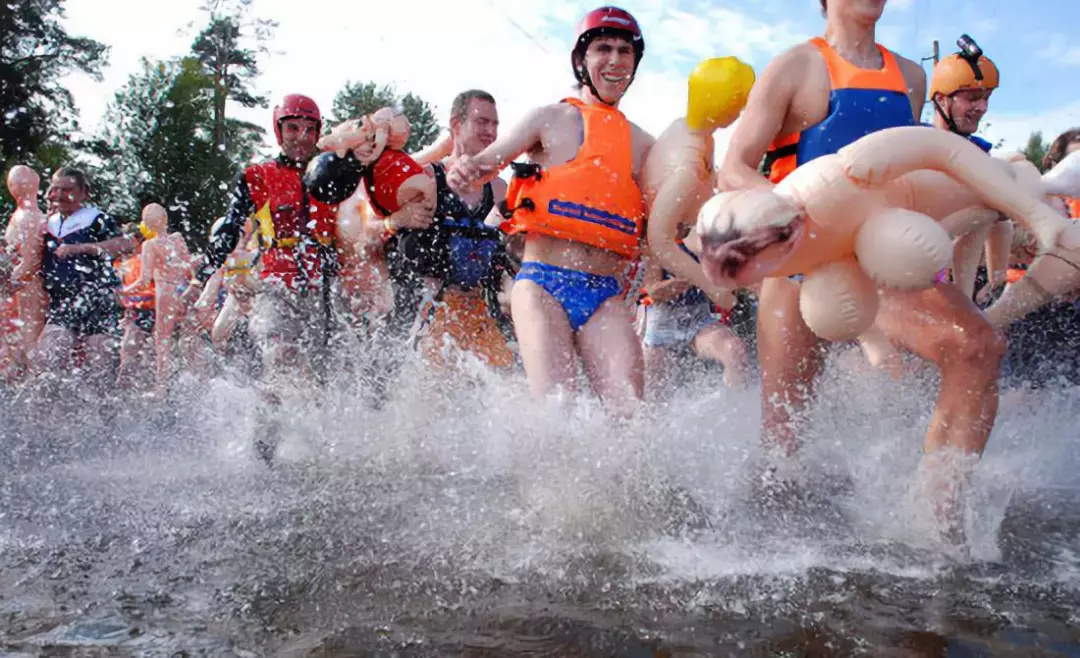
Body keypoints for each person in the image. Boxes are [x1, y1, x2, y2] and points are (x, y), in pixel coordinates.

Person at [717, 0, 1004, 543]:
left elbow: (909, 169)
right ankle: (757, 548)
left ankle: (936, 526)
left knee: (978, 346)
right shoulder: (796, 66)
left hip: (880, 258)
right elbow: (733, 168)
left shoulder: (913, 77)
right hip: (802, 265)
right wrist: (796, 210)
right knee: (783, 444)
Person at [446, 6, 654, 414]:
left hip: (605, 293)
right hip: (542, 283)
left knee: (631, 416)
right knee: (559, 413)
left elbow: (666, 213)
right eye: (603, 49)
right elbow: (489, 159)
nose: (615, 61)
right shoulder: (548, 118)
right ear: (582, 60)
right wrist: (465, 171)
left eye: (625, 52)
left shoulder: (644, 145)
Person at [184, 93, 342, 463]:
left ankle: (316, 449)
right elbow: (229, 227)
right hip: (275, 286)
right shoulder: (258, 176)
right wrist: (206, 270)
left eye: (308, 129)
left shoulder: (336, 172)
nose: (301, 136)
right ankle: (262, 451)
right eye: (292, 128)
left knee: (322, 373)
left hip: (323, 291)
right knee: (280, 359)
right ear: (279, 130)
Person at [381, 89, 517, 371]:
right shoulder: (425, 178)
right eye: (482, 122)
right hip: (429, 312)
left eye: (495, 124)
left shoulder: (500, 190)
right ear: (456, 125)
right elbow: (362, 229)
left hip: (479, 312)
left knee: (508, 383)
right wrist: (395, 219)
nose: (490, 131)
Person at [36, 167, 137, 387]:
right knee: (47, 358)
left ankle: (104, 417)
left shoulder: (96, 219)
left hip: (96, 300)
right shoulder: (48, 224)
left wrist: (82, 248)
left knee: (99, 368)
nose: (60, 195)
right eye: (56, 189)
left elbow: (126, 245)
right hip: (61, 302)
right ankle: (46, 418)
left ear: (84, 193)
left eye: (68, 190)